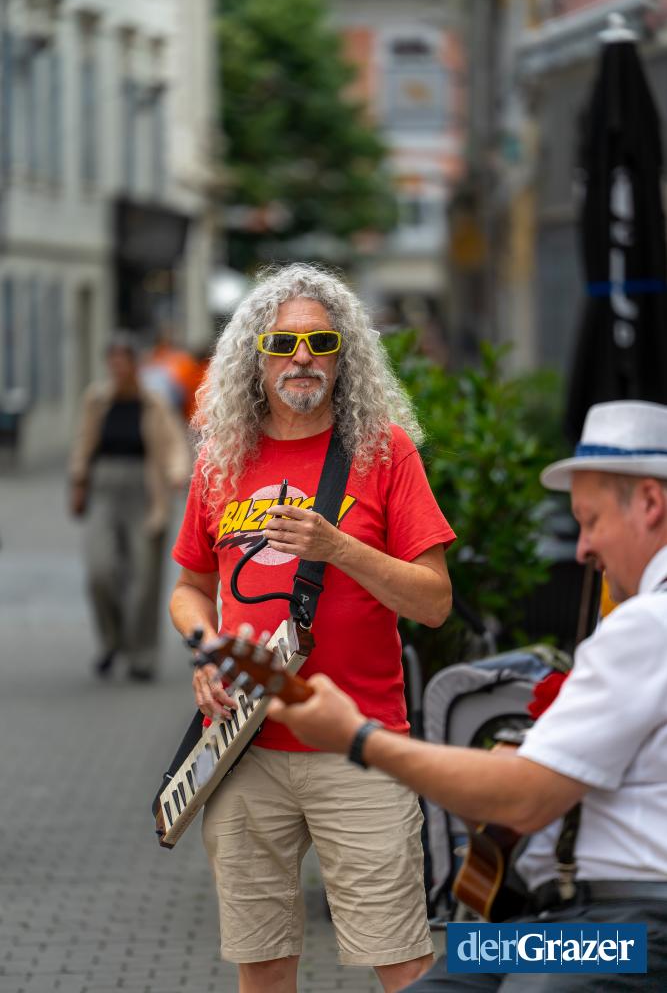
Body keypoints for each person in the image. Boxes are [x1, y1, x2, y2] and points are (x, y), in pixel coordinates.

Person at [269, 399, 667, 991]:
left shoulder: (648, 623)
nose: (582, 548)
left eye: (591, 520)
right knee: (449, 972)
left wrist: (357, 738)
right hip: (581, 918)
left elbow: (524, 800)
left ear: (651, 504)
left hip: (629, 924)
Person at [168, 264, 456, 993]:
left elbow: (433, 603)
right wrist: (205, 650)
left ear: (342, 356)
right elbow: (190, 588)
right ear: (256, 356)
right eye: (283, 343)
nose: (302, 357)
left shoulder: (384, 452)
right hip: (243, 748)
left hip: (359, 745)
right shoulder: (222, 458)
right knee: (262, 965)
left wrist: (338, 548)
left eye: (321, 342)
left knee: (402, 961)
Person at [70, 333, 190, 680]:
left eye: (124, 361)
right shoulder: (97, 399)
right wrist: (78, 480)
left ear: (136, 364)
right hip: (104, 487)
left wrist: (177, 474)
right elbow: (84, 441)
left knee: (144, 576)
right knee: (100, 570)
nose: (118, 367)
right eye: (113, 361)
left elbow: (174, 442)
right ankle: (112, 641)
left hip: (145, 490)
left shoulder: (154, 402)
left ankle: (142, 654)